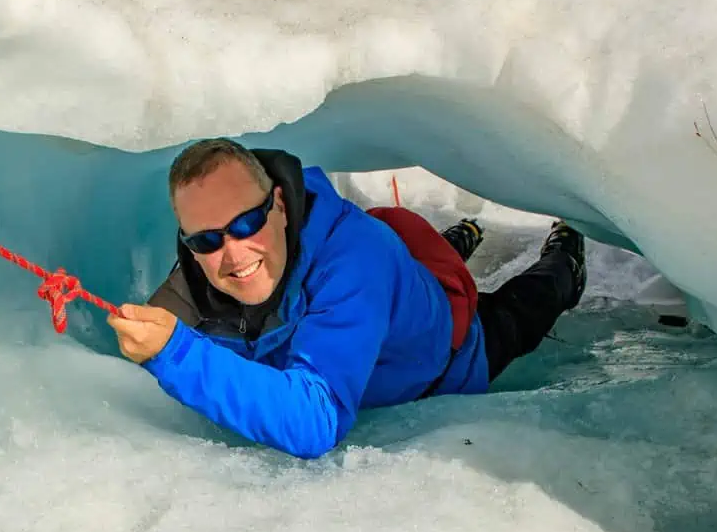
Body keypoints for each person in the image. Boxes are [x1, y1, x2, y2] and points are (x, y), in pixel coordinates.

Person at [107, 138, 587, 459]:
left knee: (531, 301)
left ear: (277, 203)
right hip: (398, 279)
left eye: (246, 224)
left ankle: (564, 255)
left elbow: (317, 418)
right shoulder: (199, 273)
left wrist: (178, 354)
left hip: (455, 350)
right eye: (206, 241)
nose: (231, 253)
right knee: (413, 257)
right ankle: (460, 236)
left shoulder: (355, 258)